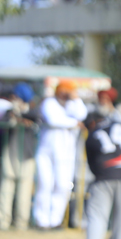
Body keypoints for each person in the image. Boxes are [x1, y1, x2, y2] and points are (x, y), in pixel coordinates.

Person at [32, 80, 87, 230]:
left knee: (63, 185)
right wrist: (74, 123)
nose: (65, 94)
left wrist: (76, 98)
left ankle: (55, 220)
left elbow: (82, 114)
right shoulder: (49, 103)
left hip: (66, 153)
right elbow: (53, 120)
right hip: (46, 151)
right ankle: (42, 221)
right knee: (45, 184)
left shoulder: (72, 105)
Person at [0, 82, 39, 230]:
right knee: (6, 187)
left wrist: (19, 116)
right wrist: (16, 116)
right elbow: (3, 122)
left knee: (24, 190)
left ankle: (21, 222)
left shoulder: (33, 111)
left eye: (16, 96)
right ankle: (2, 221)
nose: (14, 99)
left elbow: (34, 120)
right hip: (10, 154)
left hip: (26, 155)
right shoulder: (9, 111)